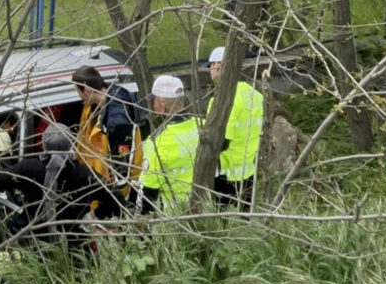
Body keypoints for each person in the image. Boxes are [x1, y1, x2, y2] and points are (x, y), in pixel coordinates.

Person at [0, 123, 121, 240]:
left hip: (36, 245)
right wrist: (96, 215)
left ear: (43, 144)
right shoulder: (84, 174)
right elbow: (115, 198)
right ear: (71, 144)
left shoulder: (28, 168)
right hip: (75, 244)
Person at [71, 66, 146, 190]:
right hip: (96, 180)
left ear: (88, 91)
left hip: (110, 188)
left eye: (78, 92)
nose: (78, 96)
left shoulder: (117, 123)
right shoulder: (92, 107)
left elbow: (122, 173)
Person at [207, 47, 264, 209]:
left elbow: (221, 141)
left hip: (225, 173)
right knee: (245, 220)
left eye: (212, 66)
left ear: (218, 65)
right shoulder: (255, 95)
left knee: (222, 224)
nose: (211, 71)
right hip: (249, 170)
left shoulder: (221, 100)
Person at [137, 75, 200, 212]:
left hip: (174, 215)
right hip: (204, 208)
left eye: (154, 101)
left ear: (162, 105)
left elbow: (148, 189)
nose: (153, 105)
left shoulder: (157, 141)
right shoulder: (201, 127)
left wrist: (139, 220)